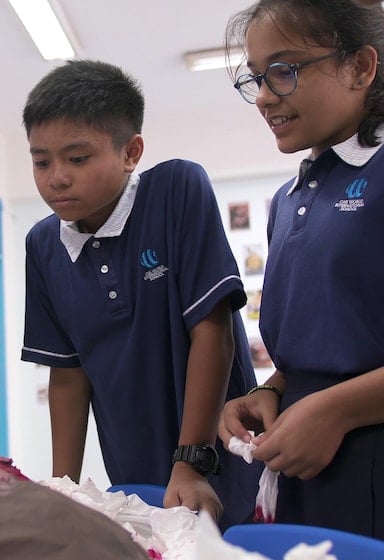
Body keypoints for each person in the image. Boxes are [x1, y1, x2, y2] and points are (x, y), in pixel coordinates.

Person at [20, 59, 262, 529]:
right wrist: (63, 492)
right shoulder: (43, 246)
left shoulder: (175, 190)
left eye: (77, 158)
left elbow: (213, 333)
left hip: (220, 468)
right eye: (41, 160)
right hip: (134, 483)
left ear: (131, 153)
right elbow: (68, 377)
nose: (57, 177)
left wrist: (191, 462)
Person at [218, 0, 384, 538]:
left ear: (360, 67)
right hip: (307, 466)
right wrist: (271, 391)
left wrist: (337, 411)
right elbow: (326, 338)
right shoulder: (288, 201)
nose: (264, 96)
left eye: (285, 71)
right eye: (257, 78)